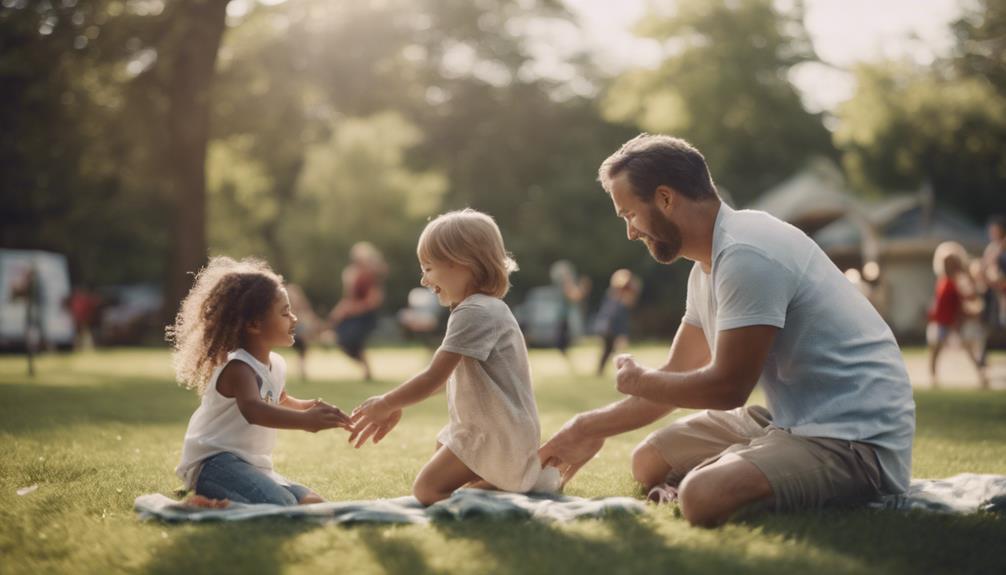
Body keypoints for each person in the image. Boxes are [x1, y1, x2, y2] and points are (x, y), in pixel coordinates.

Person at [539, 134, 916, 528]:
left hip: (853, 439)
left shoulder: (747, 255)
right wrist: (585, 428)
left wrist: (642, 381)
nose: (630, 232)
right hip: (787, 419)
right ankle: (759, 459)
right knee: (648, 462)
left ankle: (748, 468)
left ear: (665, 198)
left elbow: (727, 389)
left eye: (629, 215)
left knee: (702, 496)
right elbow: (678, 375)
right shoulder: (706, 268)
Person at [349, 209, 559, 505]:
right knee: (442, 449)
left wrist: (386, 403)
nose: (423, 280)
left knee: (427, 490)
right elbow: (442, 381)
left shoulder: (474, 312)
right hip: (492, 430)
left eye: (428, 268)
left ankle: (506, 494)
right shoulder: (483, 308)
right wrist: (400, 405)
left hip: (494, 435)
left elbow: (434, 375)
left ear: (460, 263)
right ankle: (508, 484)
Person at [169, 256, 353, 506]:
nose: (295, 319)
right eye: (285, 312)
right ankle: (207, 505)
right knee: (283, 505)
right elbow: (254, 410)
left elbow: (279, 399)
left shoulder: (275, 364)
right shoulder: (239, 368)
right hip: (215, 463)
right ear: (255, 324)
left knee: (313, 502)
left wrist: (308, 407)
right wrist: (305, 421)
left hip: (252, 465)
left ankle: (223, 502)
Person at [927, 242, 987, 389]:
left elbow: (969, 299)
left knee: (969, 348)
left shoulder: (960, 279)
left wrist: (963, 316)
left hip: (956, 320)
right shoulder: (943, 280)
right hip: (942, 320)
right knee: (935, 350)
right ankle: (933, 378)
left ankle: (982, 376)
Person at [330, 242, 387, 381]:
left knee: (352, 340)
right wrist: (340, 310)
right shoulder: (351, 273)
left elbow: (374, 301)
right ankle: (366, 369)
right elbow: (349, 297)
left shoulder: (371, 276)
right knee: (342, 340)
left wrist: (353, 308)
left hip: (365, 316)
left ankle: (367, 371)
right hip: (353, 315)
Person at [594, 269, 640, 375]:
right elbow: (617, 317)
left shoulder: (613, 296)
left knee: (609, 350)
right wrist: (622, 333)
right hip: (610, 327)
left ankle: (601, 371)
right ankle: (606, 371)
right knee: (610, 350)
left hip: (609, 327)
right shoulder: (617, 299)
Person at [550, 260, 591, 368]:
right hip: (563, 317)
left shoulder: (565, 284)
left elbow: (575, 296)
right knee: (562, 342)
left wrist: (582, 290)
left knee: (562, 342)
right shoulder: (566, 284)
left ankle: (568, 360)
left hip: (564, 317)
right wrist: (583, 288)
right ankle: (568, 359)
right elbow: (575, 296)